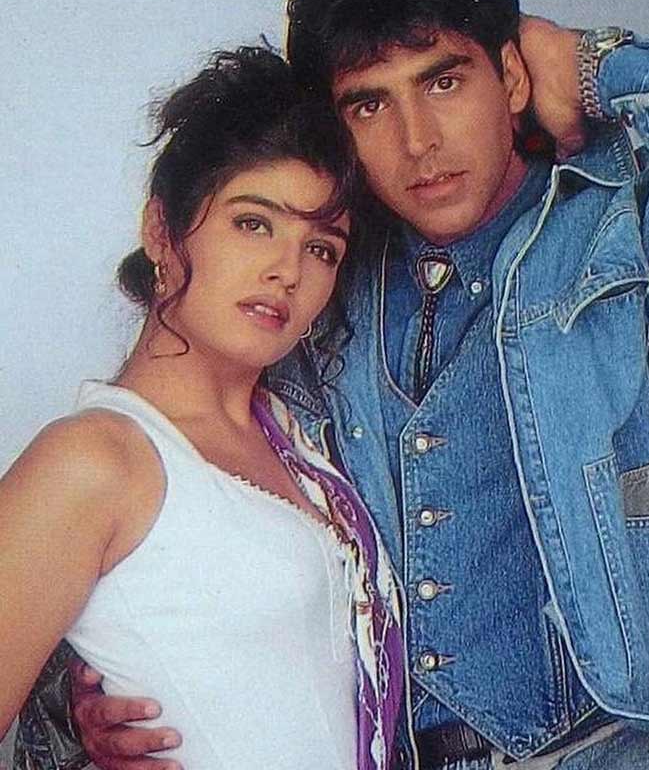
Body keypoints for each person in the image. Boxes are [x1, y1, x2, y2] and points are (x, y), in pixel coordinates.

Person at [16, 0, 649, 770]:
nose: (418, 141)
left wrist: (597, 64)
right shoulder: (314, 291)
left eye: (444, 82)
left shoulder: (642, 238)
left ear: (511, 75)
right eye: (369, 103)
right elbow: (178, 555)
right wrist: (89, 700)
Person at [3, 46, 403, 770]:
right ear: (162, 232)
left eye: (322, 248)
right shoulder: (95, 458)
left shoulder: (302, 442)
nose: (287, 270)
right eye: (254, 223)